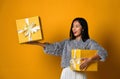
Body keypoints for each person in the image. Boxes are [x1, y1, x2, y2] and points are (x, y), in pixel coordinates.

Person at [28, 17, 108, 79]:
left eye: (77, 26)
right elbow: (55, 48)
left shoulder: (89, 42)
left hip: (80, 74)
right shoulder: (67, 42)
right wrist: (37, 43)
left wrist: (90, 59)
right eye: (73, 26)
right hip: (67, 73)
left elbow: (103, 53)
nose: (74, 28)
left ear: (83, 28)